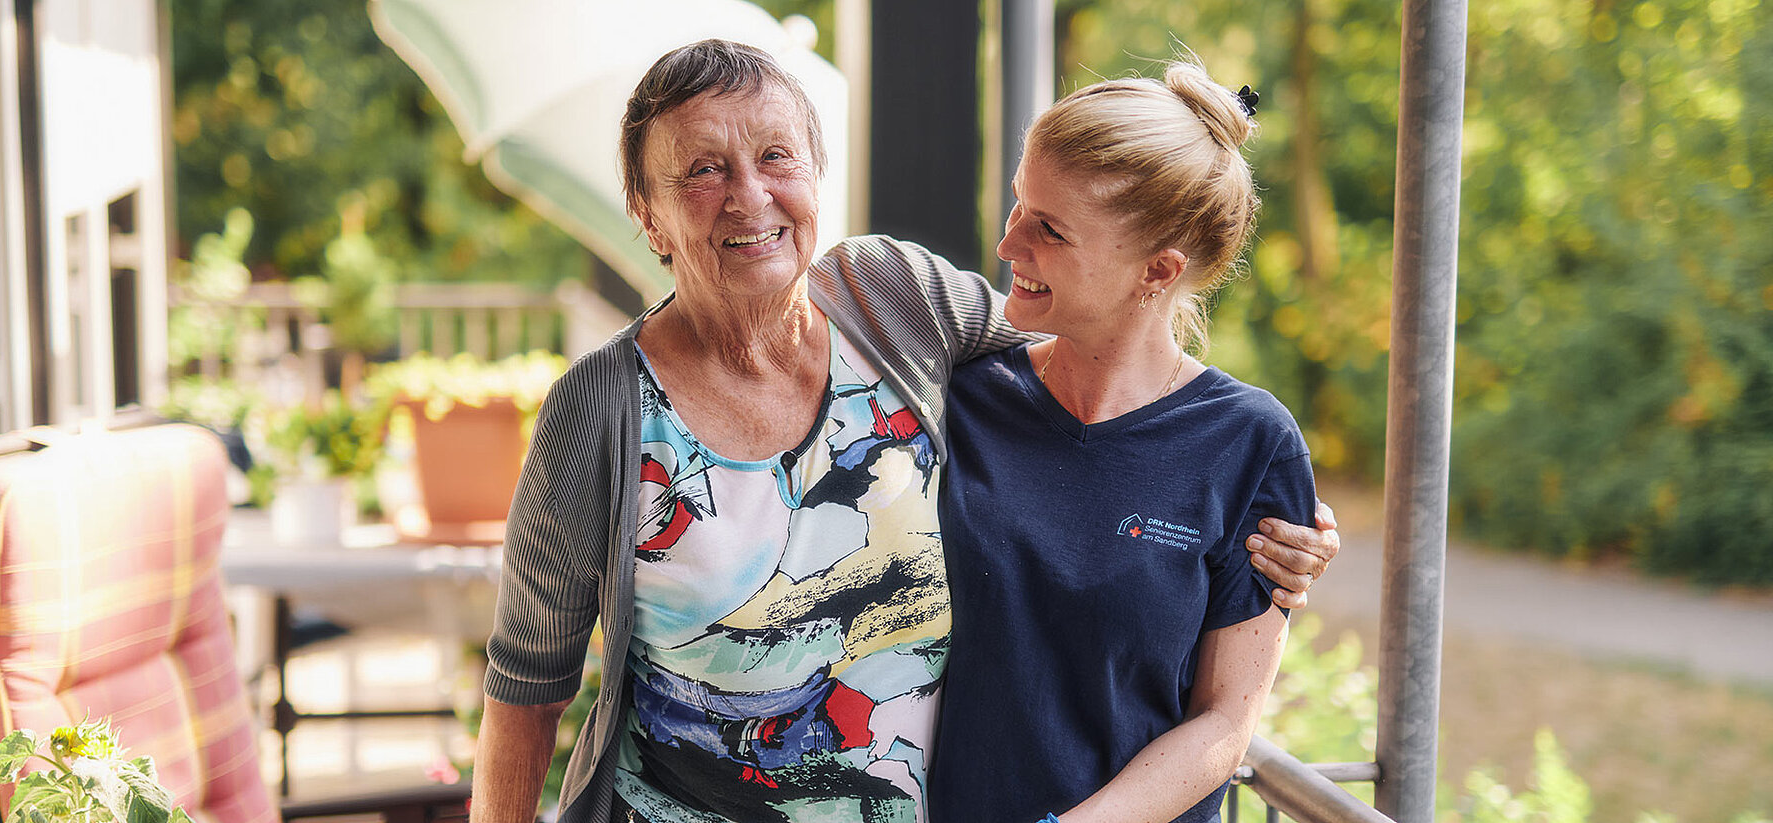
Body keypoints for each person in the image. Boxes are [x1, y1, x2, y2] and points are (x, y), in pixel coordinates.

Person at [468, 40, 1338, 823]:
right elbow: (525, 687)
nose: (748, 195)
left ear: (818, 174)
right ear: (647, 212)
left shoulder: (895, 304)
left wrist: (1279, 519)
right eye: (700, 169)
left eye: (777, 156)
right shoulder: (604, 409)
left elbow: (1100, 352)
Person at [928, 64, 1309, 823]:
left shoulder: (1253, 445)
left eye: (1049, 229)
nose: (1008, 242)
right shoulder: (954, 392)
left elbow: (1225, 724)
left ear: (1156, 271)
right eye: (1018, 203)